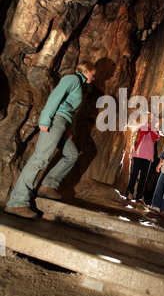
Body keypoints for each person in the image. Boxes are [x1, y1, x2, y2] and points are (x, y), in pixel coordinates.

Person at [4, 60, 97, 220]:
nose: (94, 78)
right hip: (56, 120)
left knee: (72, 155)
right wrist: (45, 119)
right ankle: (17, 202)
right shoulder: (72, 79)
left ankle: (48, 186)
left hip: (63, 125)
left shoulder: (79, 85)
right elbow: (55, 96)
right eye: (93, 74)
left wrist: (71, 130)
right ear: (86, 70)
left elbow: (72, 112)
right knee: (40, 159)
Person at [126, 115, 160, 203]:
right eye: (148, 119)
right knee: (134, 174)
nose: (149, 121)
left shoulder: (155, 130)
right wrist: (147, 126)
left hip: (148, 157)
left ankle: (139, 196)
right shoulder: (142, 126)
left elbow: (154, 137)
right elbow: (143, 132)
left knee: (144, 177)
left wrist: (151, 127)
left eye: (151, 120)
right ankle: (130, 192)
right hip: (138, 154)